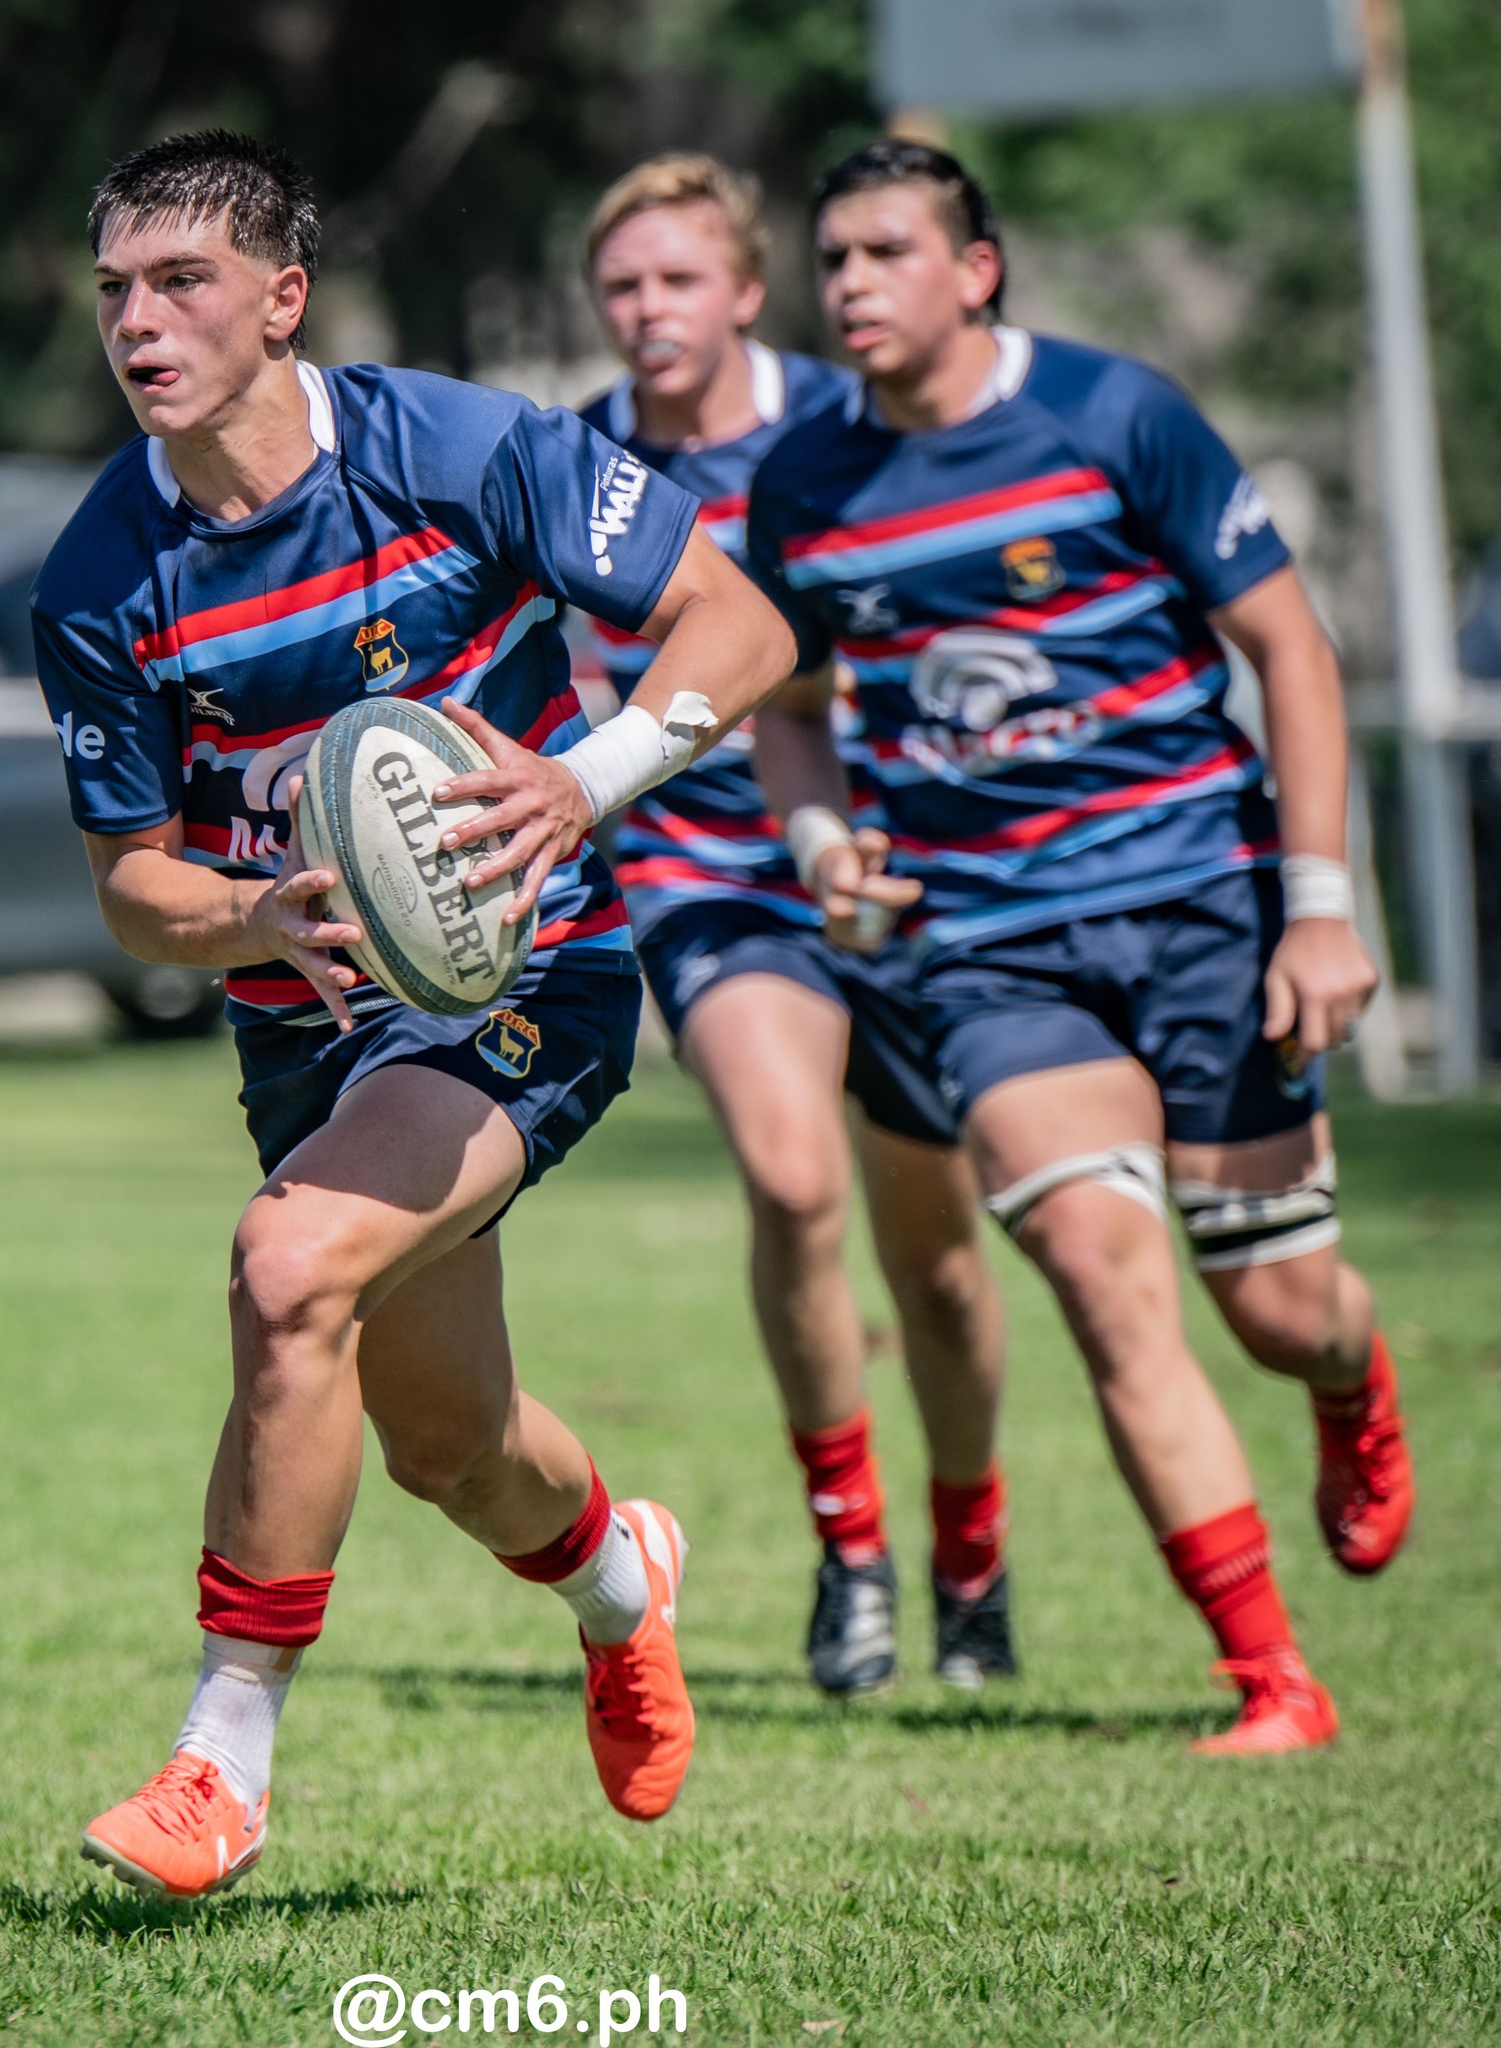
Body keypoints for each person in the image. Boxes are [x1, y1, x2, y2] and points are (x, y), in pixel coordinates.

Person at [30, 130, 798, 1898]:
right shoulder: (99, 578)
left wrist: (582, 783)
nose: (137, 325)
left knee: (287, 1268)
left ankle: (220, 1758)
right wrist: (254, 912)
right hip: (310, 1025)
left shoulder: (451, 449)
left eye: (181, 283)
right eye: (113, 294)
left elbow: (736, 627)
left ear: (281, 298)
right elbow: (133, 892)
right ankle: (623, 1580)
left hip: (533, 972)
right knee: (448, 1438)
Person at [748, 138, 1415, 1756]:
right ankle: (1269, 1678)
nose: (850, 284)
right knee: (1107, 1283)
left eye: (887, 251)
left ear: (974, 269)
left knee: (1273, 1305)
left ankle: (1347, 1382)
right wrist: (827, 845)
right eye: (832, 257)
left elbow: (1292, 657)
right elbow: (786, 708)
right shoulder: (804, 483)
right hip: (987, 948)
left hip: (1203, 906)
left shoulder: (1119, 416)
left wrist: (1319, 913)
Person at [578, 155, 1014, 1697]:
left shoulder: (847, 432)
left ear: (746, 293)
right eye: (621, 287)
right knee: (787, 1176)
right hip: (708, 880)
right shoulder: (576, 461)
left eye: (677, 281)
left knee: (942, 1264)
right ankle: (853, 1557)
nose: (647, 313)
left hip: (895, 875)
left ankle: (972, 1551)